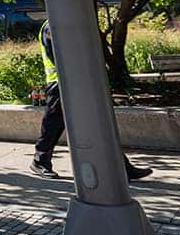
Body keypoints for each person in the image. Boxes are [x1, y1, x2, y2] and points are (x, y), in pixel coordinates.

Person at [30, 20, 152, 181]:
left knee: (99, 126)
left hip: (77, 81)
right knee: (53, 125)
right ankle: (40, 161)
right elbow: (56, 57)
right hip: (60, 83)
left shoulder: (69, 22)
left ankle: (122, 167)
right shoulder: (52, 24)